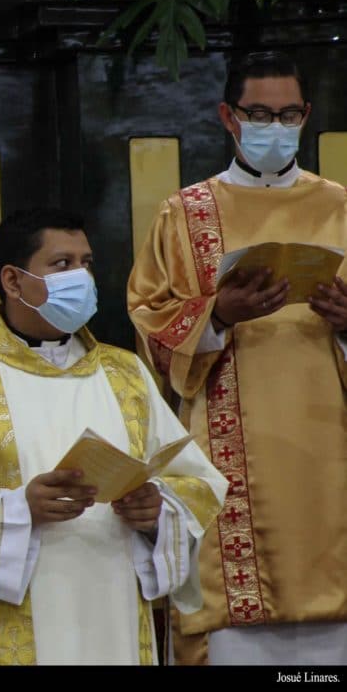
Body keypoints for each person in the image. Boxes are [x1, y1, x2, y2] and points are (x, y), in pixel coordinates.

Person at [0, 208, 227, 665]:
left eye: (85, 262)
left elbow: (198, 485)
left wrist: (157, 511)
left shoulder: (126, 375)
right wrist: (18, 510)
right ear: (13, 282)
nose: (81, 276)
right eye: (61, 264)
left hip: (111, 611)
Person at [128, 51, 347, 665]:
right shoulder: (185, 214)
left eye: (288, 114)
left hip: (332, 474)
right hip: (230, 477)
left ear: (306, 116)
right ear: (229, 117)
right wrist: (217, 315)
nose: (274, 126)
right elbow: (146, 334)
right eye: (259, 113)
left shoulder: (341, 207)